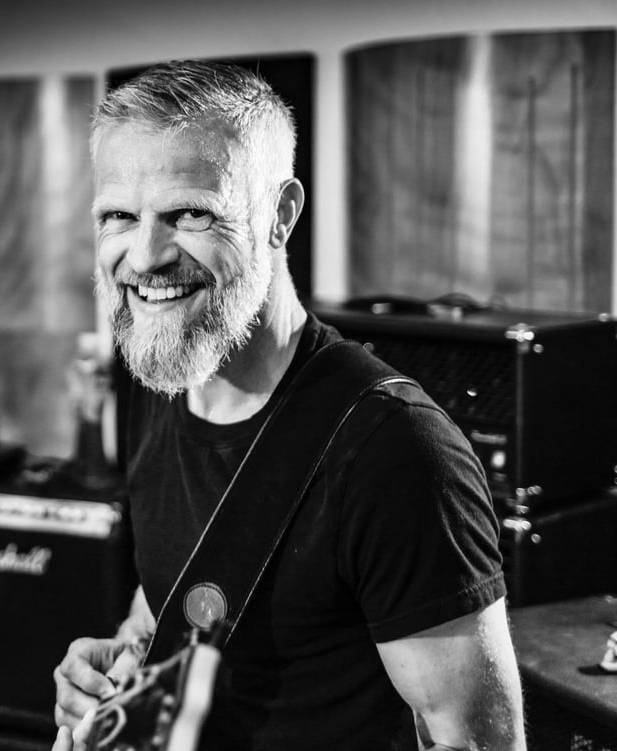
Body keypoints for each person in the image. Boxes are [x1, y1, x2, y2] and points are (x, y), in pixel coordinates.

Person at [52, 59, 526, 751]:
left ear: (280, 215)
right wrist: (122, 661)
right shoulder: (161, 383)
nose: (146, 255)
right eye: (119, 215)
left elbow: (478, 741)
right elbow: (171, 596)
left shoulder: (397, 452)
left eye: (191, 213)